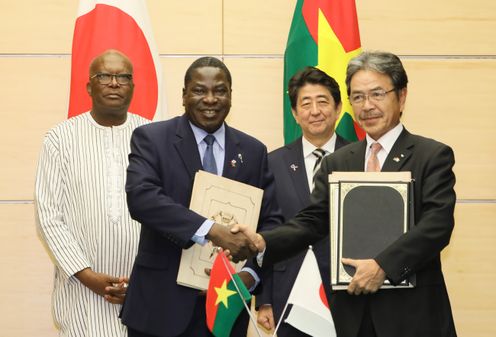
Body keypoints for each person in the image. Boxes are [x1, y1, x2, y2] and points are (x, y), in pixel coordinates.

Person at [236, 51, 457, 337]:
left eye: (377, 94)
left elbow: (437, 225)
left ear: (401, 97)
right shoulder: (339, 161)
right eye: (358, 97)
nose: (367, 106)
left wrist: (382, 266)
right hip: (352, 317)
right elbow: (312, 221)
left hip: (412, 314)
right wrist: (264, 241)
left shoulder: (431, 155)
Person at [120, 56, 282, 337]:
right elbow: (142, 198)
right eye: (199, 90)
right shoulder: (152, 138)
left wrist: (250, 276)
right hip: (161, 308)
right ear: (184, 95)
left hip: (227, 308)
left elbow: (272, 222)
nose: (210, 99)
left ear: (231, 96)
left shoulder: (253, 151)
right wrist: (211, 230)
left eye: (220, 90)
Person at [35, 49, 150, 337]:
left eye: (123, 77)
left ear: (133, 87)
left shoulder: (151, 137)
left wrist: (145, 278)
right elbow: (49, 217)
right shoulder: (60, 138)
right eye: (104, 76)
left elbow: (169, 210)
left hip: (144, 290)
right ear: (89, 86)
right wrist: (88, 276)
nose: (114, 83)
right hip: (81, 294)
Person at [256, 66, 349, 336]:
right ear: (295, 114)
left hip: (344, 291)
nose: (315, 111)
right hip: (289, 289)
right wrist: (265, 299)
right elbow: (267, 230)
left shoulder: (361, 159)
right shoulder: (273, 163)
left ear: (339, 107)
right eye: (305, 104)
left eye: (323, 101)